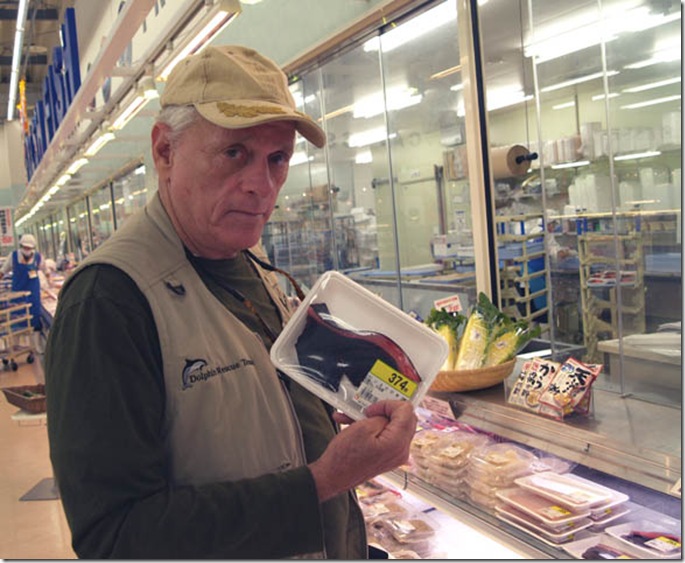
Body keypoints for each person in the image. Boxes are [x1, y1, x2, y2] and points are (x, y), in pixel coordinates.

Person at [45, 45, 417, 559]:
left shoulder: (252, 265)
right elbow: (115, 537)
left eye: (278, 158)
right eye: (234, 153)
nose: (261, 186)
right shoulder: (108, 302)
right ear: (165, 152)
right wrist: (322, 481)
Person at [0, 233, 49, 333]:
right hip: (18, 291)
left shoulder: (38, 257)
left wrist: (49, 281)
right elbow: (3, 271)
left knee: (34, 315)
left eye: (29, 248)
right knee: (18, 317)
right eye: (25, 247)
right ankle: (20, 337)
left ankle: (35, 336)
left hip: (33, 293)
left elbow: (46, 270)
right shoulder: (13, 256)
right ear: (21, 246)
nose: (27, 250)